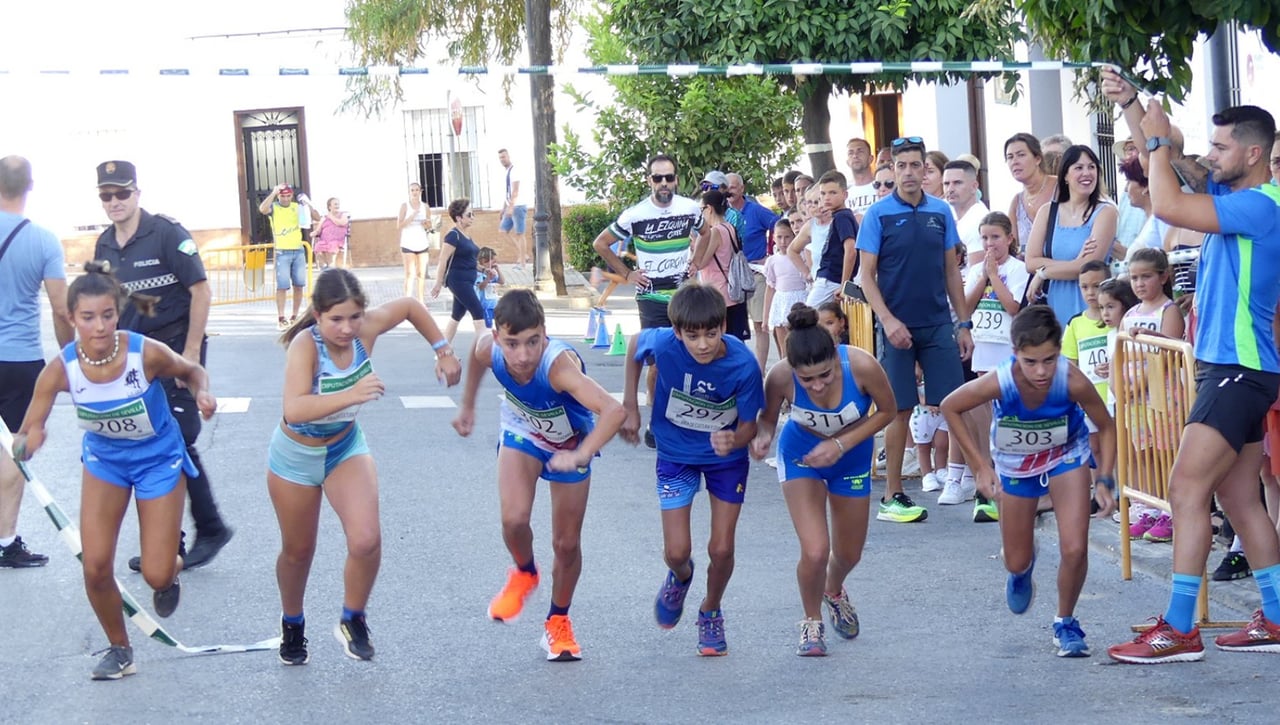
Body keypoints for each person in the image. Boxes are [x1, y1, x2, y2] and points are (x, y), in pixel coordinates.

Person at [1103, 94, 1280, 663]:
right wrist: (1135, 110)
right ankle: (1277, 616)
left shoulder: (1261, 205)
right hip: (1243, 370)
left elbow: (1170, 203)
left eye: (1222, 146)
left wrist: (1157, 144)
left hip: (1237, 370)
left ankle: (1179, 629)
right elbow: (1182, 165)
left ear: (1253, 153)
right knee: (1237, 496)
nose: (1211, 154)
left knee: (1185, 489)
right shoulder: (1242, 192)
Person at [12, 262, 217, 679]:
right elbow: (29, 429)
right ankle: (120, 649)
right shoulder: (62, 369)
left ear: (118, 312)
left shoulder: (145, 353)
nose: (100, 327)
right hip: (106, 463)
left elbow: (191, 371)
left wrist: (203, 392)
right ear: (71, 319)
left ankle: (170, 571)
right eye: (88, 318)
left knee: (157, 572)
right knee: (96, 565)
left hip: (159, 458)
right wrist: (25, 444)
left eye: (108, 315)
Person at [269, 269, 461, 665]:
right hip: (296, 456)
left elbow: (410, 306)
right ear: (318, 316)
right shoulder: (306, 346)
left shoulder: (365, 330)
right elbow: (295, 407)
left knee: (366, 540)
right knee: (298, 551)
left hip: (344, 448)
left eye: (353, 317)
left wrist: (443, 350)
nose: (346, 328)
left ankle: (352, 617)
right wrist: (352, 393)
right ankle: (292, 622)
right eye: (335, 319)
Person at [451, 289, 625, 661]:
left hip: (571, 443)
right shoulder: (488, 348)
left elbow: (614, 410)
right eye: (512, 344)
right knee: (514, 520)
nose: (523, 355)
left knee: (566, 545)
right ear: (498, 337)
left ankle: (558, 622)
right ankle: (525, 572)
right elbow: (477, 358)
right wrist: (467, 407)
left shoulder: (557, 366)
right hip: (523, 432)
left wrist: (581, 452)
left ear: (544, 333)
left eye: (532, 342)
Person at [942, 305, 1116, 658]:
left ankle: (1065, 621)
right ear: (1015, 353)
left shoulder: (1072, 380)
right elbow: (950, 407)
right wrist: (980, 467)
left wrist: (1105, 479)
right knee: (1016, 560)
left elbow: (1108, 425)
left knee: (1075, 547)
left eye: (1049, 360)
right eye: (1030, 361)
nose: (1041, 371)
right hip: (1015, 465)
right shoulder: (1000, 380)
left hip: (1066, 457)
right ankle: (1022, 569)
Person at [94, 160, 233, 573]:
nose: (115, 201)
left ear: (138, 193)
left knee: (176, 436)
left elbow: (201, 291)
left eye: (122, 193)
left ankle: (207, 529)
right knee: (148, 438)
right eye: (106, 195)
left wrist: (190, 356)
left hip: (174, 353)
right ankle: (171, 544)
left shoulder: (167, 234)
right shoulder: (104, 245)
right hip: (135, 360)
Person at [620, 283, 763, 656]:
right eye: (693, 336)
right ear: (677, 332)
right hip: (675, 453)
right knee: (677, 551)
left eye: (711, 334)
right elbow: (634, 345)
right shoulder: (664, 343)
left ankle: (711, 609)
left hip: (725, 461)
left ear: (723, 327)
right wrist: (631, 407)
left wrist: (735, 439)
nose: (703, 344)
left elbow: (750, 424)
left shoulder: (743, 364)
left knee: (722, 547)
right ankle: (681, 578)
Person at [750, 305, 895, 655]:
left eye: (825, 375)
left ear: (836, 357)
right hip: (802, 457)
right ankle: (811, 623)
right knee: (815, 550)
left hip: (851, 458)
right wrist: (762, 437)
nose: (817, 385)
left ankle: (833, 589)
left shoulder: (860, 365)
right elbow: (768, 420)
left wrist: (840, 444)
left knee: (849, 554)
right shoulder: (780, 376)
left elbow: (889, 411)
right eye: (807, 379)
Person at [857, 136, 974, 524]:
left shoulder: (941, 212)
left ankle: (975, 483)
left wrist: (963, 323)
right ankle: (894, 495)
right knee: (898, 409)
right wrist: (888, 321)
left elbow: (951, 272)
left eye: (915, 165)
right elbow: (865, 277)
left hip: (938, 323)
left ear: (926, 170)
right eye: (901, 165)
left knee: (958, 402)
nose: (908, 172)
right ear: (892, 170)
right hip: (896, 328)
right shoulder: (878, 215)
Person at [593, 154, 703, 448]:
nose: (664, 183)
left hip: (682, 296)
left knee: (688, 357)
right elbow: (601, 243)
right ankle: (656, 420)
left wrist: (697, 263)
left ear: (676, 180)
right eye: (658, 178)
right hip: (651, 296)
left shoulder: (690, 208)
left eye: (669, 177)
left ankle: (682, 419)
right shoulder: (636, 214)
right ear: (649, 181)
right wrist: (627, 274)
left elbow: (710, 234)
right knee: (657, 363)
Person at [0, 155, 73, 568]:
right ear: (29, 187)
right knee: (13, 449)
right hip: (20, 358)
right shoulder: (43, 240)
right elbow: (62, 309)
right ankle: (5, 541)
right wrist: (68, 360)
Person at [956, 212, 1031, 515]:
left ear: (1010, 238)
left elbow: (1013, 304)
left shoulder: (1017, 268)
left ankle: (1011, 474)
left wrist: (994, 276)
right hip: (983, 345)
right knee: (978, 405)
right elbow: (966, 305)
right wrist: (984, 275)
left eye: (996, 237)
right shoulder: (977, 270)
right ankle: (985, 472)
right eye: (985, 238)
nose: (990, 243)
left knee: (1007, 405)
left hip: (1006, 346)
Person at [1023, 145, 1118, 327]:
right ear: (1065, 175)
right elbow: (1030, 262)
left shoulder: (1105, 212)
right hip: (1055, 306)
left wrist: (1044, 272)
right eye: (1079, 168)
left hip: (1093, 307)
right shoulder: (1047, 212)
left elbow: (1087, 267)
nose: (1087, 173)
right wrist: (1074, 262)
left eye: (1091, 167)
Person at [1061, 260, 1118, 519]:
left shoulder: (1116, 318)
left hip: (1115, 395)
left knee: (1117, 445)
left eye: (1096, 285)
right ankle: (1100, 493)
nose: (1090, 292)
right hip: (1091, 397)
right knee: (1095, 446)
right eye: (1084, 287)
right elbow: (1070, 363)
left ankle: (1120, 493)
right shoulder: (1075, 324)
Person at [725, 173, 781, 371]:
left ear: (741, 189)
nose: (729, 191)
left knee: (760, 325)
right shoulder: (722, 213)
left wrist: (773, 254)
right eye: (726, 187)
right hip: (730, 277)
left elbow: (781, 224)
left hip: (755, 274)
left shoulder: (756, 211)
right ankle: (737, 369)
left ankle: (760, 371)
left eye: (732, 187)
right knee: (733, 327)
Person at [259, 183, 321, 329]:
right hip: (282, 251)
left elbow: (317, 217)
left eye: (288, 196)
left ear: (291, 195)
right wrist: (274, 193)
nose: (286, 199)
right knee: (282, 286)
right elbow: (262, 209)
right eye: (283, 196)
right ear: (279, 196)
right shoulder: (274, 207)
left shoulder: (296, 207)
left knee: (298, 285)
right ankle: (281, 317)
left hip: (298, 250)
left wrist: (308, 203)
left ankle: (294, 315)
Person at [692, 189, 751, 341]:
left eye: (701, 210)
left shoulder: (715, 232)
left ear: (709, 209)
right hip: (732, 291)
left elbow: (701, 262)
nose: (701, 214)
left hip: (718, 294)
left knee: (721, 341)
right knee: (735, 341)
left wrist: (695, 242)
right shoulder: (729, 227)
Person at [796, 171, 859, 308]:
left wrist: (844, 285)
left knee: (806, 319)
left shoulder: (842, 217)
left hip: (830, 279)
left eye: (832, 193)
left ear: (845, 194)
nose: (827, 198)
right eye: (823, 194)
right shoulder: (840, 216)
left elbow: (851, 250)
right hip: (830, 278)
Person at [432, 199, 488, 347]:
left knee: (457, 315)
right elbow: (442, 260)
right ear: (458, 218)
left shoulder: (467, 236)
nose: (472, 217)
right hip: (458, 280)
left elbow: (468, 260)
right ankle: (485, 349)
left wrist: (483, 269)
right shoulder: (453, 235)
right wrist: (438, 283)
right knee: (477, 310)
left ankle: (442, 350)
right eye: (469, 215)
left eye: (473, 214)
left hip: (468, 280)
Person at [763, 218, 808, 360]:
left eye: (787, 237)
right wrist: (765, 318)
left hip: (799, 300)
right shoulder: (772, 261)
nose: (783, 242)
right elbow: (770, 288)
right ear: (774, 238)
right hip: (781, 302)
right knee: (785, 350)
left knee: (801, 344)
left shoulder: (802, 256)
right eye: (779, 237)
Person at [1004, 133, 1057, 248]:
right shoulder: (1016, 202)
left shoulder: (1061, 187)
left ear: (1037, 159)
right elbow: (1012, 247)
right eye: (1010, 157)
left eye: (1021, 155)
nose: (1015, 161)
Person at [944, 160, 990, 270]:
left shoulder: (979, 221)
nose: (950, 189)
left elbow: (977, 273)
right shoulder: (946, 210)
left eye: (957, 183)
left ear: (974, 187)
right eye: (946, 183)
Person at [397, 182, 434, 302]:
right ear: (409, 192)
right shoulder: (405, 206)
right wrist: (411, 217)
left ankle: (421, 301)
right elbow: (399, 225)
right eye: (412, 190)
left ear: (420, 192)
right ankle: (407, 300)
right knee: (409, 274)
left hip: (422, 243)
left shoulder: (425, 207)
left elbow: (430, 226)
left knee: (421, 274)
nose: (414, 192)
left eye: (417, 190)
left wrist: (426, 224)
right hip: (408, 243)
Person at [498, 149, 529, 268]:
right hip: (510, 205)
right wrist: (503, 208)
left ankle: (522, 263)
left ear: (509, 156)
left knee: (520, 234)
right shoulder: (507, 172)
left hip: (518, 206)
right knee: (502, 231)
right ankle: (523, 254)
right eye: (500, 158)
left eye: (504, 157)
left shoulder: (515, 170)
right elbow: (508, 191)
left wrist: (510, 208)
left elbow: (515, 190)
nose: (502, 160)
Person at [313, 198, 349, 270]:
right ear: (329, 207)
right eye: (335, 204)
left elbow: (342, 223)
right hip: (325, 240)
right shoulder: (324, 218)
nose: (337, 206)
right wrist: (314, 233)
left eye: (338, 204)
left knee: (331, 247)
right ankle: (324, 267)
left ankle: (330, 267)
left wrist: (331, 217)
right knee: (318, 247)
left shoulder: (343, 215)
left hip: (336, 240)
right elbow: (318, 230)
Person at [845, 138, 878, 215]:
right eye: (850, 153)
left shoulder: (883, 186)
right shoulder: (844, 194)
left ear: (871, 159)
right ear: (847, 162)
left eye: (860, 152)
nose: (855, 156)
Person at [475, 247, 503, 329]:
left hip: (495, 304)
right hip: (485, 305)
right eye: (493, 261)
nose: (494, 263)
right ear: (484, 261)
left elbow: (502, 281)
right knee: (488, 326)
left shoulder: (493, 271)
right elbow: (480, 286)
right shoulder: (478, 273)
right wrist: (488, 278)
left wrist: (498, 269)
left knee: (500, 324)